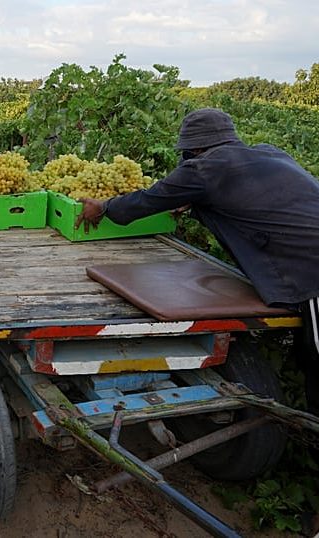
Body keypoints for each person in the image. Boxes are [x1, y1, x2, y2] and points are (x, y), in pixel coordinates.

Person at [76, 107, 319, 416]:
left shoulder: (203, 169)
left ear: (194, 148)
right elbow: (256, 201)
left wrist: (105, 207)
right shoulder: (272, 155)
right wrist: (194, 202)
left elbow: (146, 201)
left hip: (311, 271)